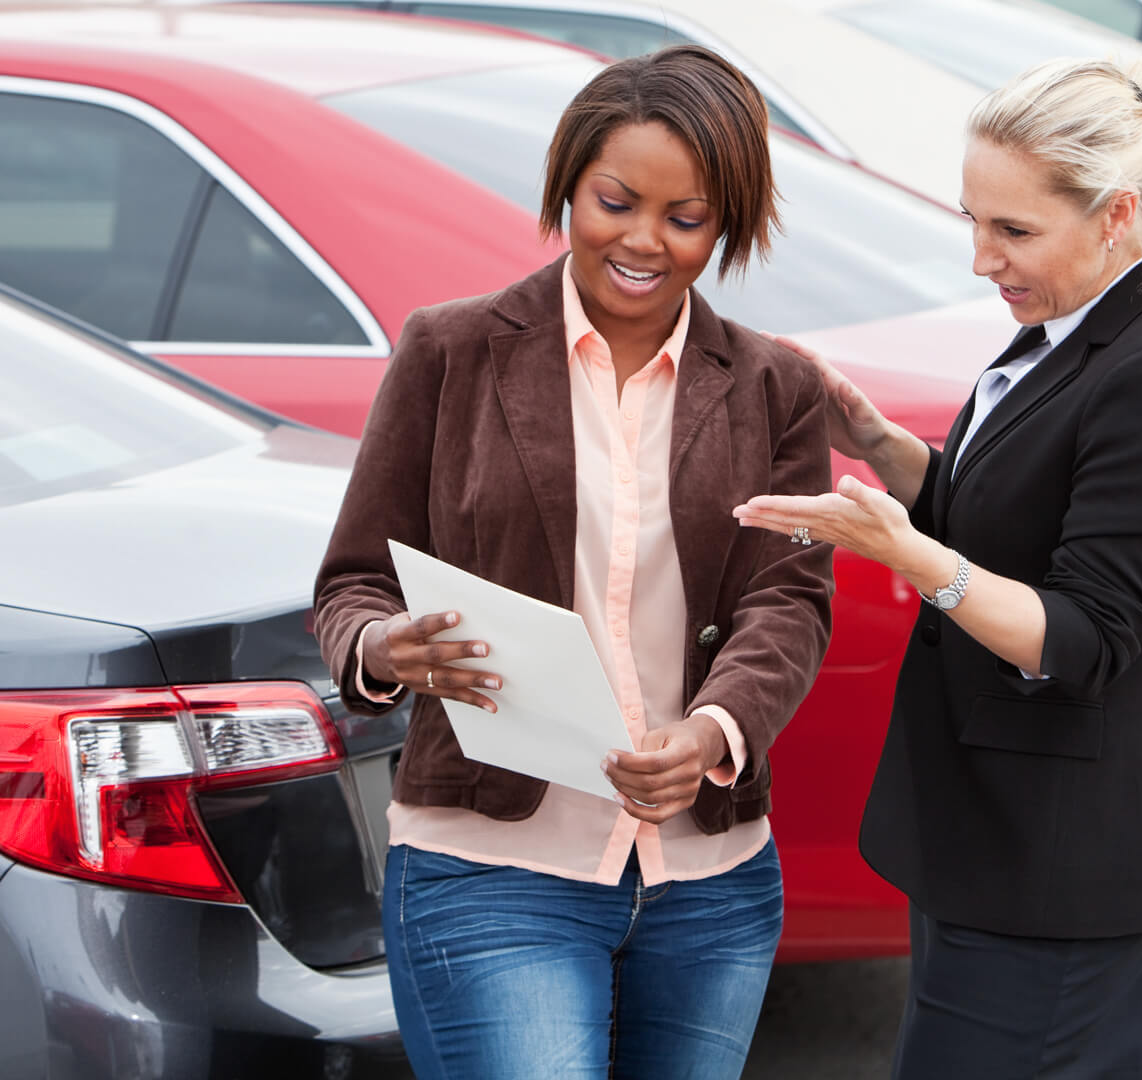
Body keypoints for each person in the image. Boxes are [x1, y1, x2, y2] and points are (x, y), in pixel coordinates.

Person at [312, 45, 835, 1079]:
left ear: (726, 223)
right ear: (567, 186)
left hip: (710, 877)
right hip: (491, 865)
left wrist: (715, 730)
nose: (644, 241)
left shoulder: (776, 387)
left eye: (685, 219)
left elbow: (790, 600)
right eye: (615, 201)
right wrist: (384, 646)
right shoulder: (451, 353)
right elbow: (353, 583)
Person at [735, 54, 1142, 1078]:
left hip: (1060, 868)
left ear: (1116, 213)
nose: (983, 258)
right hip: (1007, 846)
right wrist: (883, 445)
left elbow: (1087, 638)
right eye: (972, 220)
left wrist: (909, 556)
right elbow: (1022, 524)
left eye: (1013, 231)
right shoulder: (1087, 320)